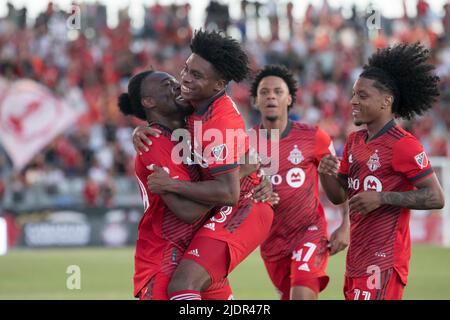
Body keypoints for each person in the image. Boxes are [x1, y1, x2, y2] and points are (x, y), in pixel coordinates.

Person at [133, 29, 274, 300]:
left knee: (182, 284)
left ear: (219, 83)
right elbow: (157, 113)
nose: (184, 79)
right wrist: (140, 128)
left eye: (196, 76)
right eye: (186, 69)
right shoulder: (193, 103)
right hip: (227, 205)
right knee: (205, 290)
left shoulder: (218, 121)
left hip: (244, 204)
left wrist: (171, 184)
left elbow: (228, 193)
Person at [318, 43, 445, 300]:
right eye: (354, 94)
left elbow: (436, 197)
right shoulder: (354, 141)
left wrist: (382, 197)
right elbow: (340, 197)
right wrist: (325, 173)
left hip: (385, 260)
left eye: (362, 96)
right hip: (357, 257)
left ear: (386, 101)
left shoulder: (403, 144)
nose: (353, 100)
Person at [118, 69, 237, 299]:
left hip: (198, 257)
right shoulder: (152, 142)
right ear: (149, 101)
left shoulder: (192, 129)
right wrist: (233, 181)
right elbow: (188, 212)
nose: (178, 85)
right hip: (166, 261)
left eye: (175, 80)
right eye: (167, 84)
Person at [250, 64, 349, 300]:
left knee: (302, 296)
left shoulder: (313, 136)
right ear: (255, 101)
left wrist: (346, 225)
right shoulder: (245, 144)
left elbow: (341, 190)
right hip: (271, 241)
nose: (271, 96)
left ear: (289, 99)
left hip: (309, 232)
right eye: (264, 92)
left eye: (278, 91)